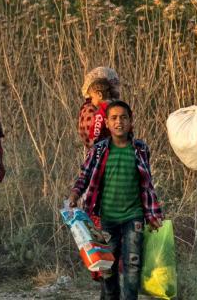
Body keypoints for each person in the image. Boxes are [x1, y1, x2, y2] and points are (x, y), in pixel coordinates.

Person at [68, 101, 164, 300]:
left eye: (123, 117)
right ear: (107, 124)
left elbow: (147, 185)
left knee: (132, 267)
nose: (119, 122)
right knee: (107, 268)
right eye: (114, 118)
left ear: (130, 121)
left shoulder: (140, 149)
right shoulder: (99, 150)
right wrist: (74, 196)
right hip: (107, 220)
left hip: (134, 218)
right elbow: (84, 176)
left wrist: (153, 215)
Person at [77, 67, 122, 150]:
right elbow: (93, 138)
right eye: (113, 85)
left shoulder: (110, 107)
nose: (117, 89)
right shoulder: (89, 109)